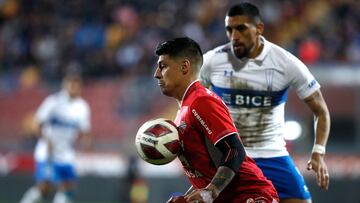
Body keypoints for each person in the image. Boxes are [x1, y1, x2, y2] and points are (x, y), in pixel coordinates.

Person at [199, 2, 331, 203]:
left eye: (241, 28)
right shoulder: (212, 61)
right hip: (229, 158)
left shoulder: (286, 63)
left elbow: (321, 111)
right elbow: (192, 104)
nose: (234, 35)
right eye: (229, 29)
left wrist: (318, 152)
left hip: (272, 156)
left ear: (259, 28)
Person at [154, 37, 279, 203]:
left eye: (163, 66)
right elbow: (209, 172)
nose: (156, 74)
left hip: (250, 196)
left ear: (185, 66)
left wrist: (210, 192)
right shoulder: (184, 110)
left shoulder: (201, 101)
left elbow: (234, 150)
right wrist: (187, 199)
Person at [20, 72, 92, 203]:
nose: (74, 88)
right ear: (65, 85)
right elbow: (36, 123)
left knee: (68, 188)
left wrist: (85, 142)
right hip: (47, 152)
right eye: (71, 85)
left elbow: (84, 131)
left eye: (77, 85)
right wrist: (46, 141)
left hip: (65, 153)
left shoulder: (83, 107)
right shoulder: (53, 101)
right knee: (44, 188)